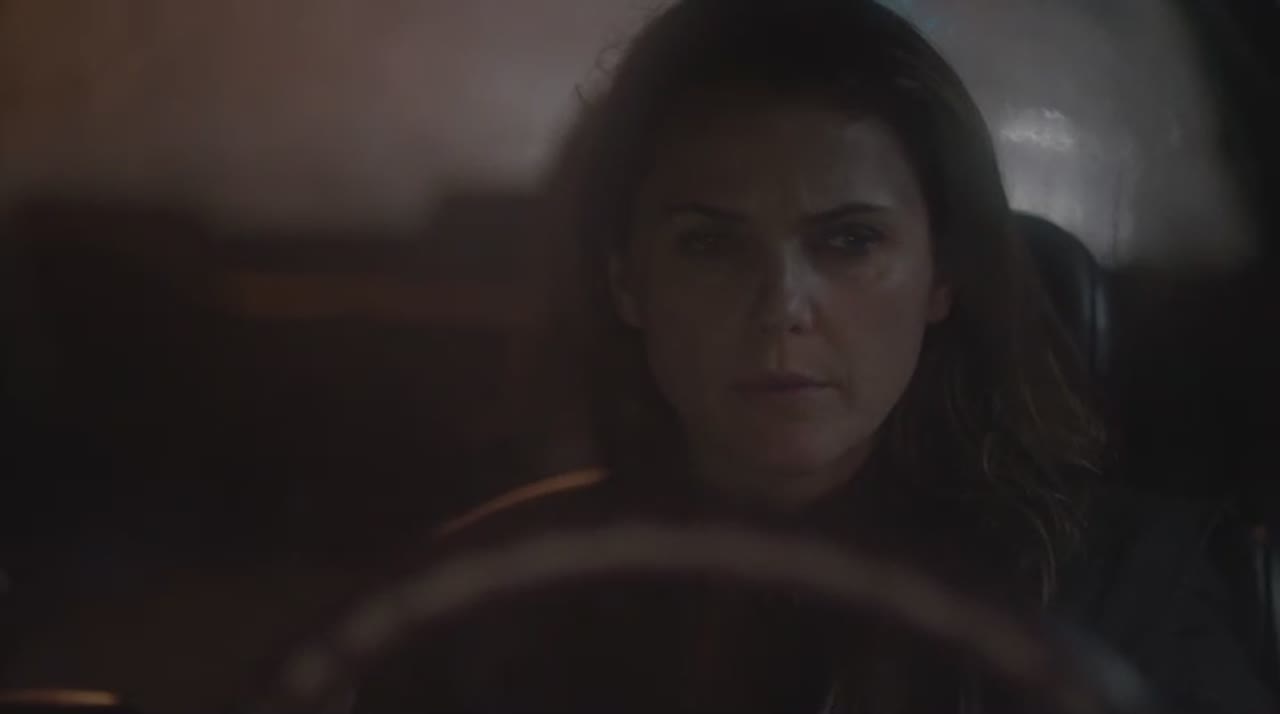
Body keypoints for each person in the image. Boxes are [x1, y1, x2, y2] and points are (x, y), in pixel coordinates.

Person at [357, 1, 1273, 711]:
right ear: (627, 281)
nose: (781, 309)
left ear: (941, 275)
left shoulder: (1128, 600)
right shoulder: (493, 608)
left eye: (849, 241)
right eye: (711, 245)